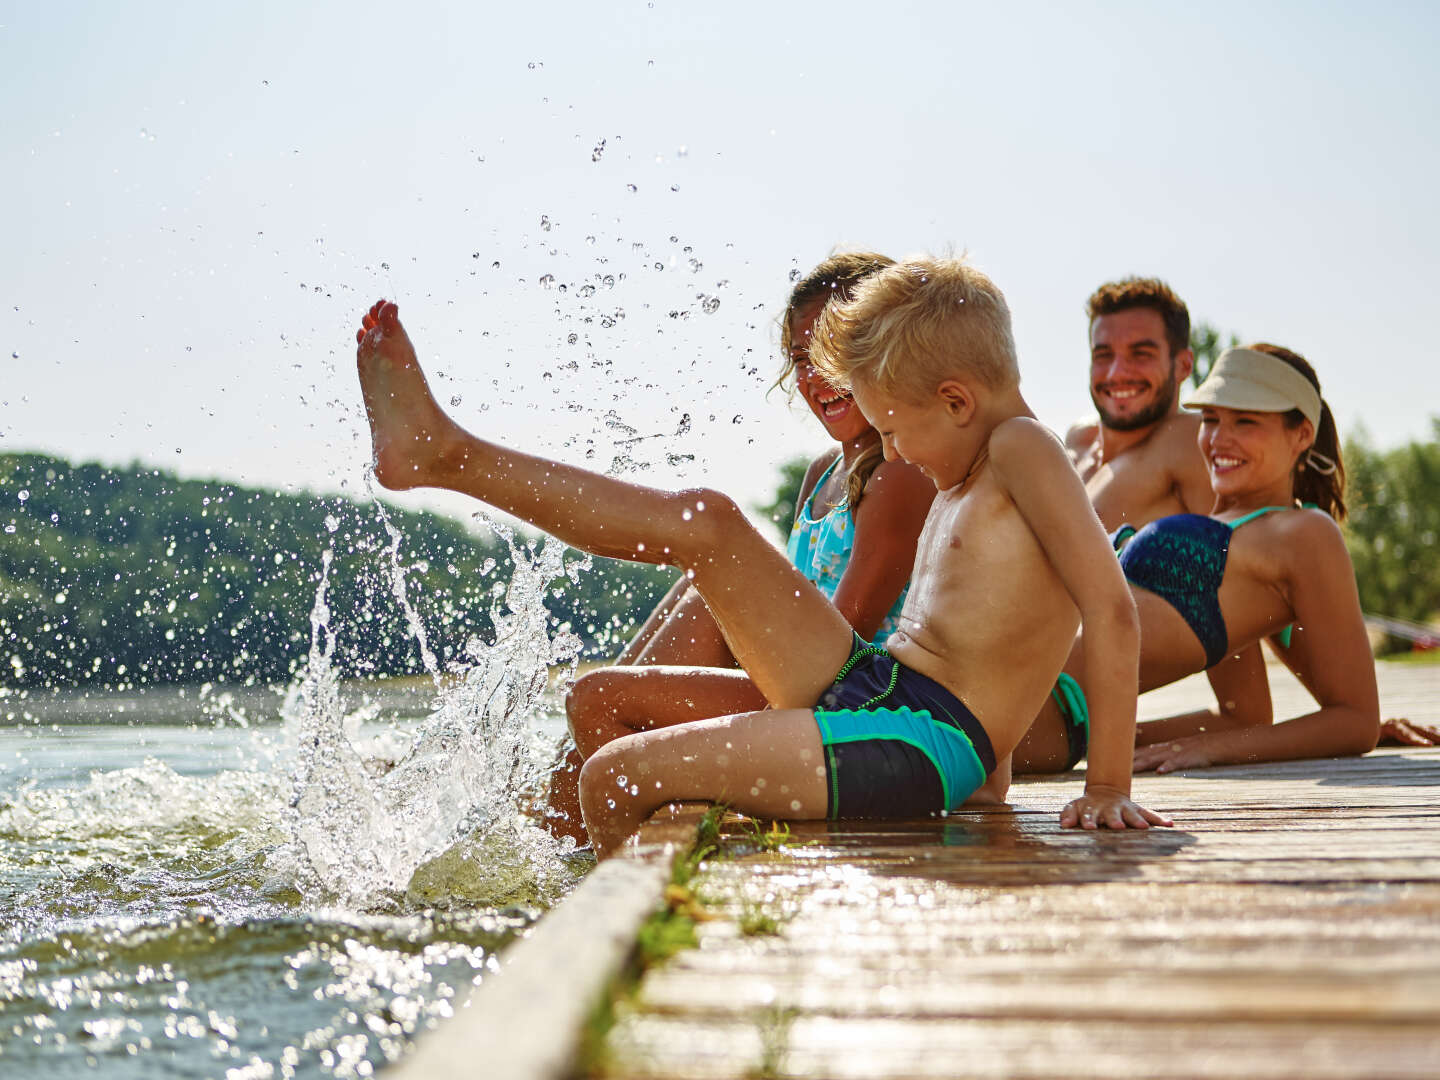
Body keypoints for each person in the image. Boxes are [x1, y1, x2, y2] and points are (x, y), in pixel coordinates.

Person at [354, 257, 1170, 857]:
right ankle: (444, 455)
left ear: (956, 399)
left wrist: (1106, 789)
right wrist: (992, 777)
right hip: (883, 687)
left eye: (894, 428)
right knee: (709, 522)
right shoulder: (972, 463)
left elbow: (1109, 608)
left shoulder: (1025, 448)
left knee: (612, 777)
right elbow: (988, 626)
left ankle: (610, 966)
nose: (892, 450)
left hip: (919, 738)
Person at [546, 254, 935, 844]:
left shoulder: (898, 473)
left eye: (837, 351)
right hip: (804, 688)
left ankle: (586, 869)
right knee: (699, 591)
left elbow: (842, 653)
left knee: (600, 696)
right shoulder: (822, 474)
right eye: (803, 360)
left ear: (889, 350)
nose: (816, 377)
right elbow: (782, 614)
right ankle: (553, 841)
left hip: (855, 710)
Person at [1017, 344, 1379, 777]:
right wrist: (1131, 739)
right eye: (1210, 419)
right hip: (1019, 692)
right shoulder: (1227, 538)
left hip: (1032, 709)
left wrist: (1213, 749)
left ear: (1302, 434)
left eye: (1245, 421)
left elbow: (1356, 720)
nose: (1219, 438)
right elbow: (1243, 714)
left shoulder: (1304, 534)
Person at [1024, 278, 1272, 772]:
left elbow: (1242, 598)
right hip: (990, 665)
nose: (1118, 372)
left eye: (1141, 353)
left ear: (1183, 364)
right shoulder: (1074, 442)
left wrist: (1343, 715)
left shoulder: (1188, 447)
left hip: (1041, 709)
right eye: (1103, 354)